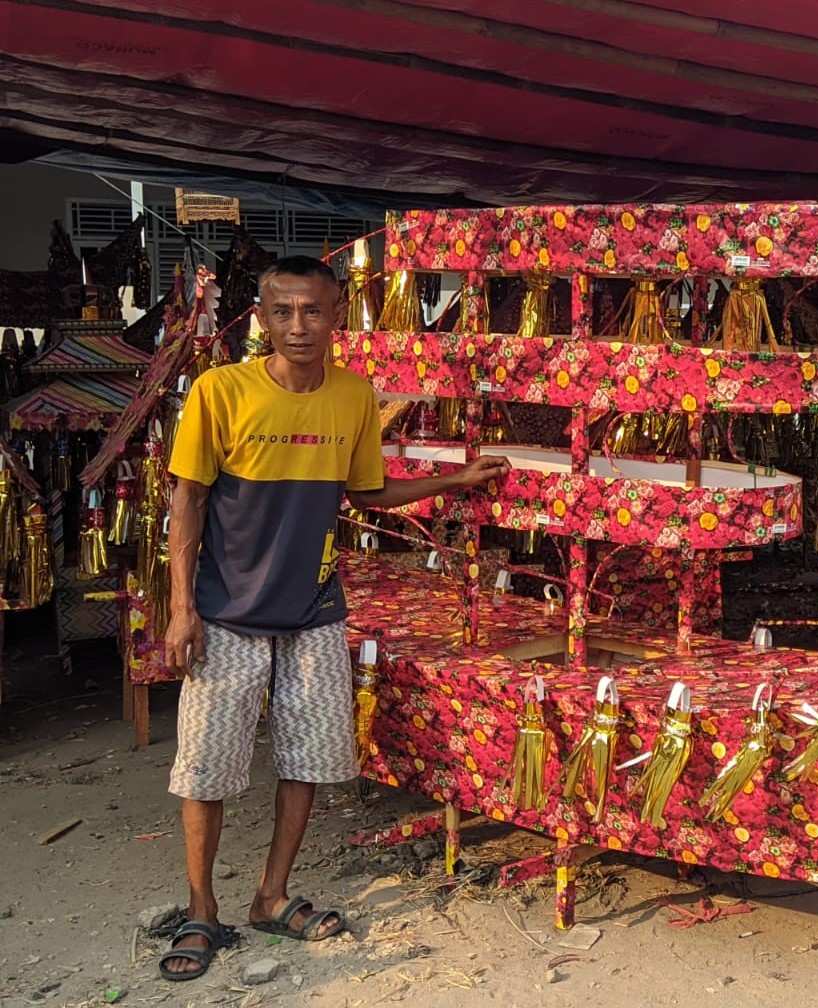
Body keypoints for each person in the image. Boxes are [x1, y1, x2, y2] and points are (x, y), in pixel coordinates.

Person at [157, 256, 509, 981]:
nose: (297, 326)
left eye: (312, 311)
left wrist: (454, 478)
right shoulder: (221, 392)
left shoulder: (352, 397)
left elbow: (369, 494)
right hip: (226, 614)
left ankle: (270, 895)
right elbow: (186, 503)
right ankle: (201, 908)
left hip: (314, 611)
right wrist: (181, 609)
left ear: (337, 315)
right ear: (260, 318)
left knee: (308, 758)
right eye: (281, 312)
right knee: (206, 768)